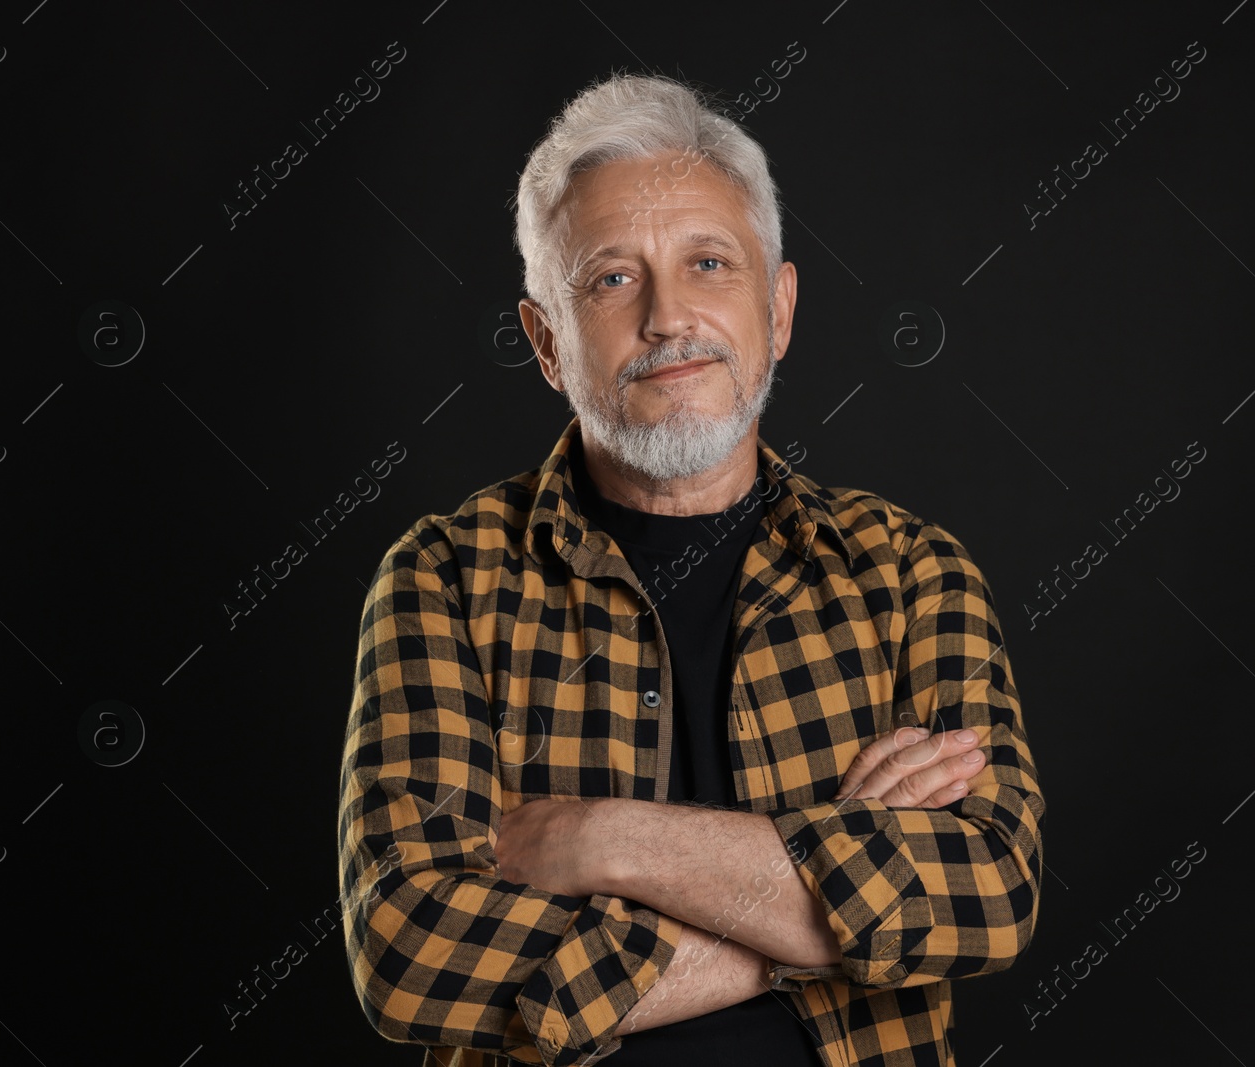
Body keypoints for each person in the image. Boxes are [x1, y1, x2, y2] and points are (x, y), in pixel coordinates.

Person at [338, 72, 1046, 1067]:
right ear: (547, 342)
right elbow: (407, 949)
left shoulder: (910, 573)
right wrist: (832, 895)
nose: (669, 317)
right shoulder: (444, 579)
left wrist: (603, 837)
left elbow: (986, 891)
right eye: (611, 278)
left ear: (780, 307)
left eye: (709, 262)